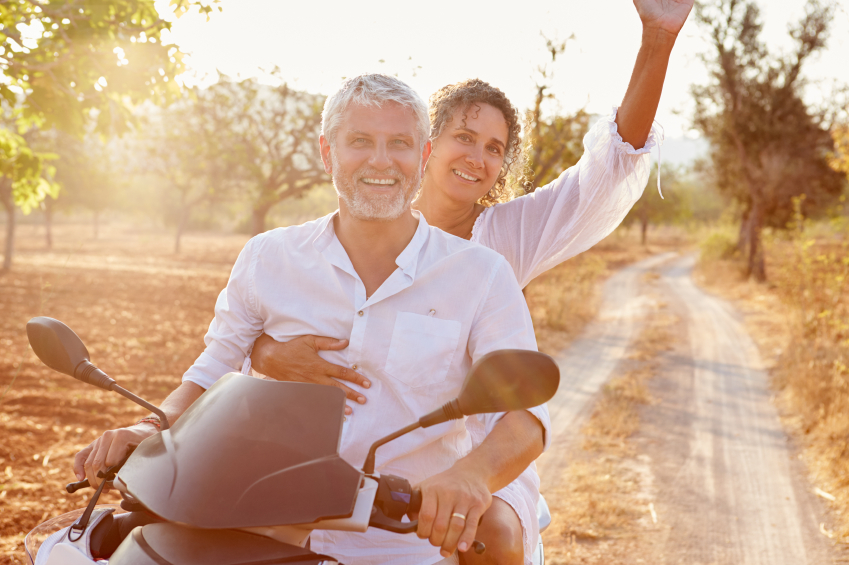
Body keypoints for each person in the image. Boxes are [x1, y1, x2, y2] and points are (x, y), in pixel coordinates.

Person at [246, 1, 695, 563]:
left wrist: (658, 39)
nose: (477, 157)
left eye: (494, 148)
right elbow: (267, 317)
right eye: (465, 136)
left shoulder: (504, 238)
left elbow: (603, 177)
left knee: (493, 535)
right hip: (345, 445)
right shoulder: (359, 217)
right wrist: (265, 352)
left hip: (471, 452)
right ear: (427, 142)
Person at [75, 74, 550, 565]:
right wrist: (147, 427)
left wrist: (470, 475)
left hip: (407, 538)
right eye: (360, 141)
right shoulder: (268, 257)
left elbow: (528, 418)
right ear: (327, 153)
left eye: (400, 144)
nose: (381, 160)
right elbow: (213, 369)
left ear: (424, 156)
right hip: (258, 526)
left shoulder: (482, 274)